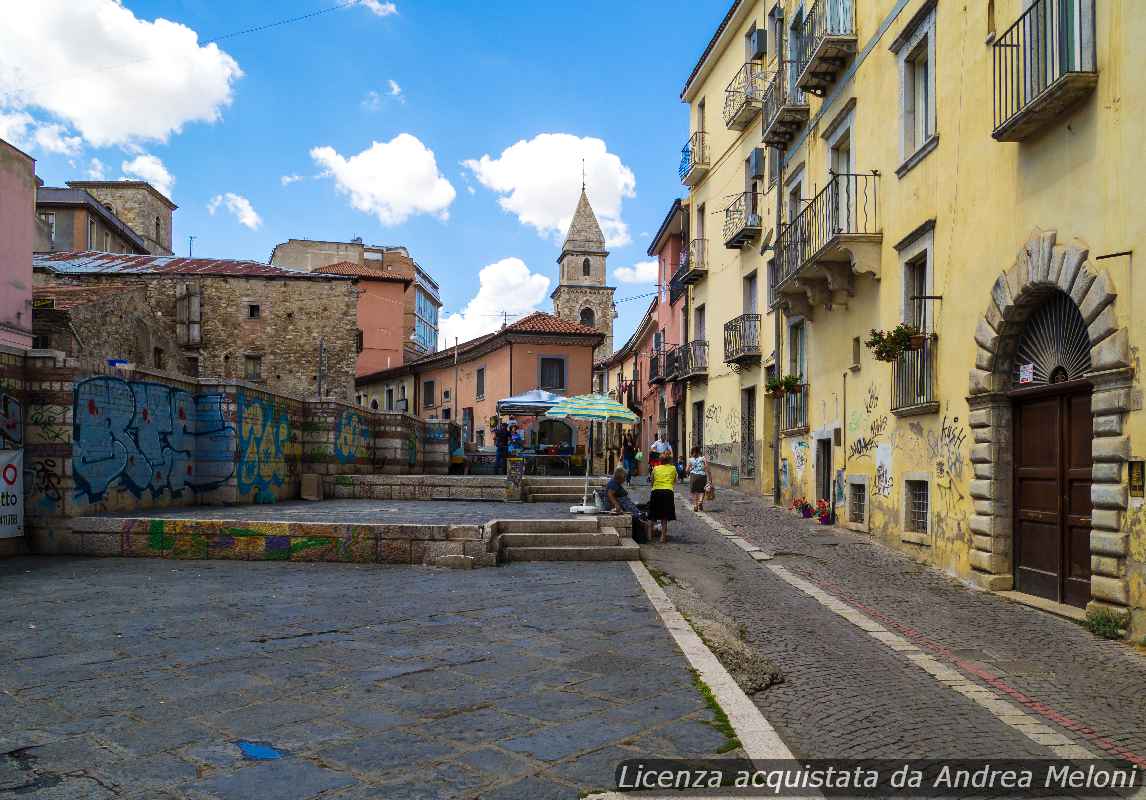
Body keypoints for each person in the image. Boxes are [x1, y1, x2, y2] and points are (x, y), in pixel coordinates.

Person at [602, 466, 647, 543]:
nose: (625, 479)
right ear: (620, 477)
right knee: (640, 516)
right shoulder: (614, 484)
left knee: (642, 512)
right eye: (624, 477)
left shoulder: (615, 483)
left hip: (626, 504)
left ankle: (648, 528)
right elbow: (610, 494)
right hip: (621, 506)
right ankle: (648, 531)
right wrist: (617, 505)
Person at [648, 446, 678, 543]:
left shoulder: (655, 468)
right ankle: (663, 537)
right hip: (668, 492)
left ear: (660, 461)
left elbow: (652, 481)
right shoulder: (673, 468)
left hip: (656, 491)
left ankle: (650, 534)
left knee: (653, 514)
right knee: (664, 516)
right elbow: (674, 481)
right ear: (669, 460)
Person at [688, 446, 709, 512]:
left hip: (694, 476)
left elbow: (687, 470)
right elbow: (707, 467)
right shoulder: (703, 458)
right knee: (702, 490)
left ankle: (695, 505)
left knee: (694, 491)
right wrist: (710, 478)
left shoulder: (690, 459)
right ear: (699, 452)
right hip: (702, 476)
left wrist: (691, 469)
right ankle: (700, 502)